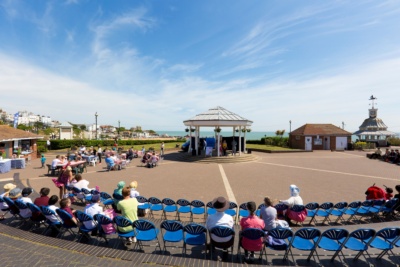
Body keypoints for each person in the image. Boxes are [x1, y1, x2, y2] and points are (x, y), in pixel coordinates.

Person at [205, 196, 234, 261]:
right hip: (228, 242)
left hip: (214, 241)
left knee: (211, 231)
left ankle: (211, 247)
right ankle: (225, 249)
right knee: (230, 232)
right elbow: (232, 229)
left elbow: (207, 228)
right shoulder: (230, 218)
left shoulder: (210, 217)